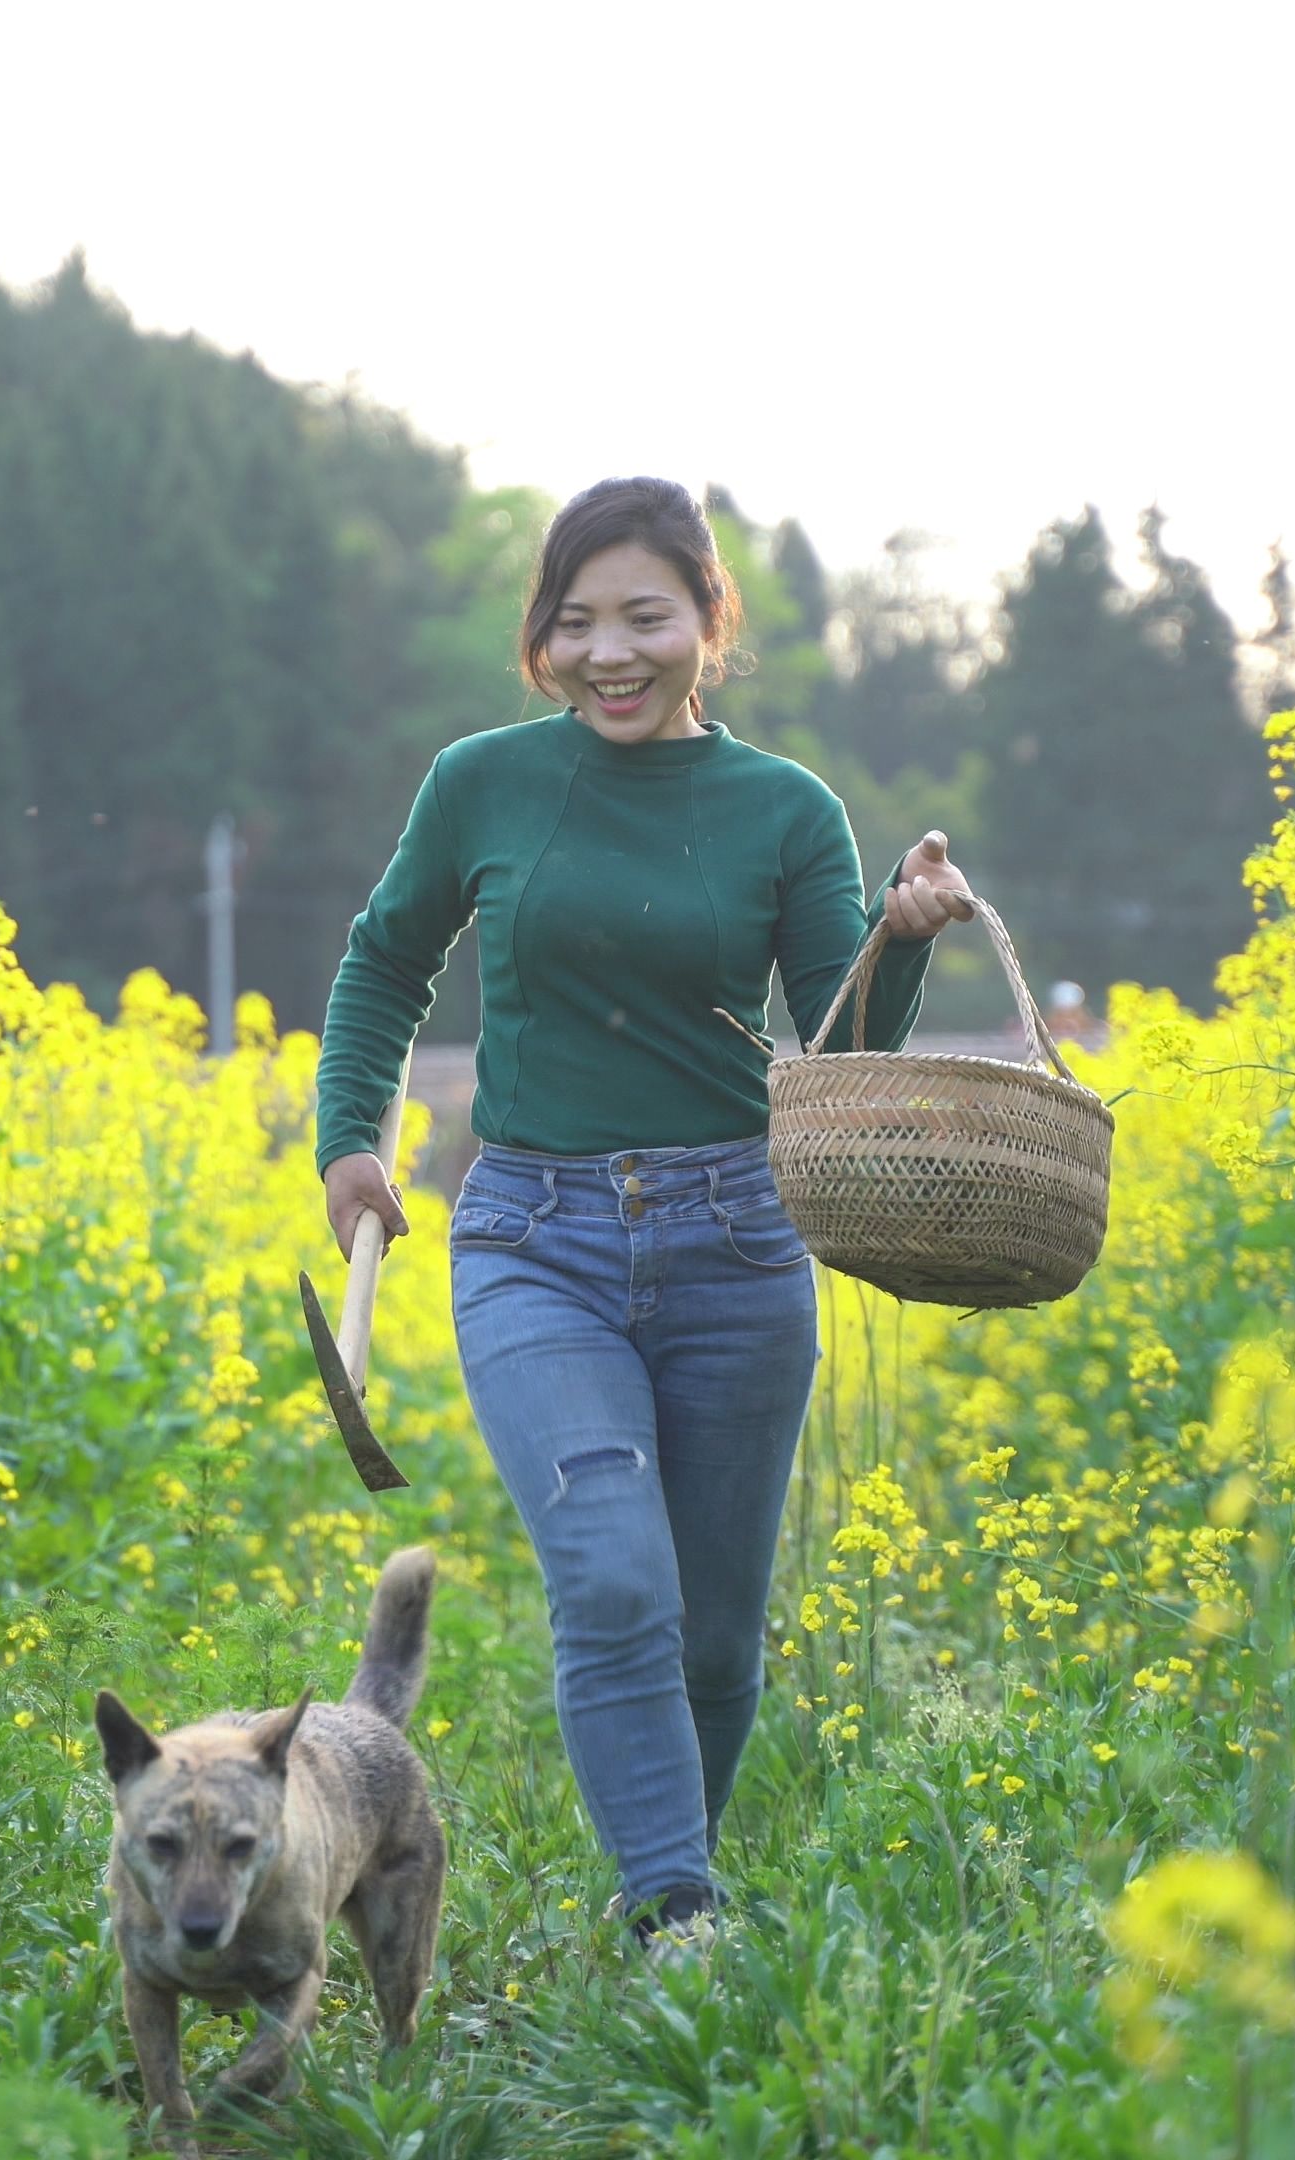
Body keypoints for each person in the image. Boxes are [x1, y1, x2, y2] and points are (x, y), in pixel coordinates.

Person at [311, 476, 979, 1949]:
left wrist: (902, 940)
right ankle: (678, 1914)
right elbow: (382, 962)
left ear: (707, 623)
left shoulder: (784, 809)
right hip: (532, 1241)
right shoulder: (480, 781)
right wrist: (352, 1137)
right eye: (574, 622)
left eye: (644, 618)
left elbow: (844, 1054)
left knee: (720, 1634)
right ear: (540, 639)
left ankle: (670, 1885)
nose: (609, 653)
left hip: (738, 1240)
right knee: (616, 1579)